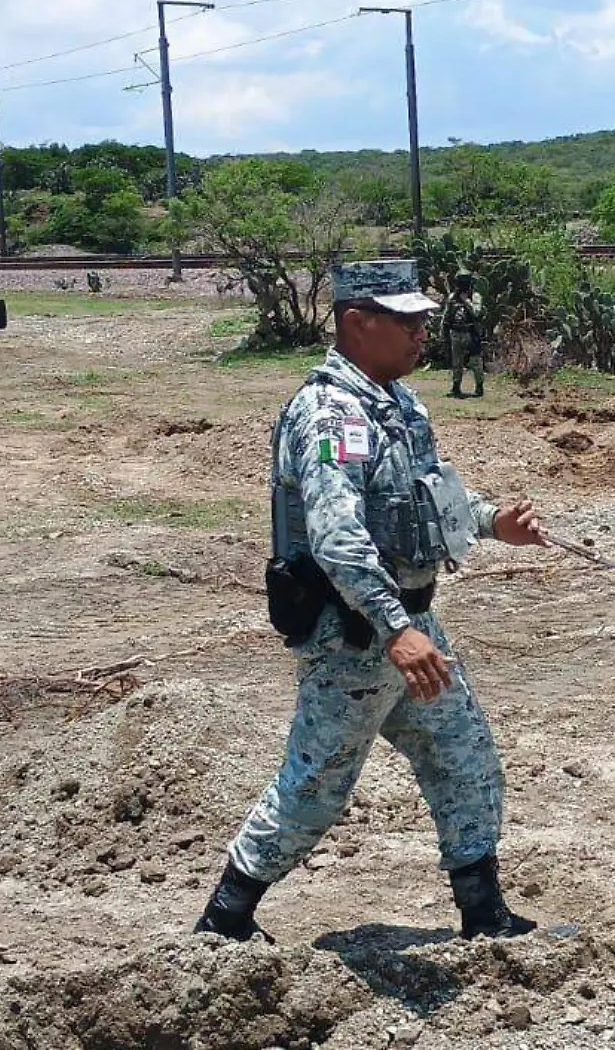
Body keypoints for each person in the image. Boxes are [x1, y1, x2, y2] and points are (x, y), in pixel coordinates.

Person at [195, 259, 548, 943]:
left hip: (409, 627)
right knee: (314, 787)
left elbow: (429, 503)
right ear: (358, 323)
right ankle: (223, 923)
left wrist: (492, 521)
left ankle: (485, 915)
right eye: (408, 320)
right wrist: (393, 628)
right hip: (354, 638)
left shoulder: (400, 404)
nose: (424, 332)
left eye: (423, 318)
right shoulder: (327, 413)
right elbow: (338, 540)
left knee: (465, 758)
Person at [443, 270, 487, 399]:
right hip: (456, 333)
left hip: (471, 333)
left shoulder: (475, 297)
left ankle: (479, 386)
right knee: (457, 362)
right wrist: (444, 332)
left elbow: (477, 313)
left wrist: (466, 301)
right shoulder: (452, 298)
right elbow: (447, 316)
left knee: (475, 361)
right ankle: (456, 386)